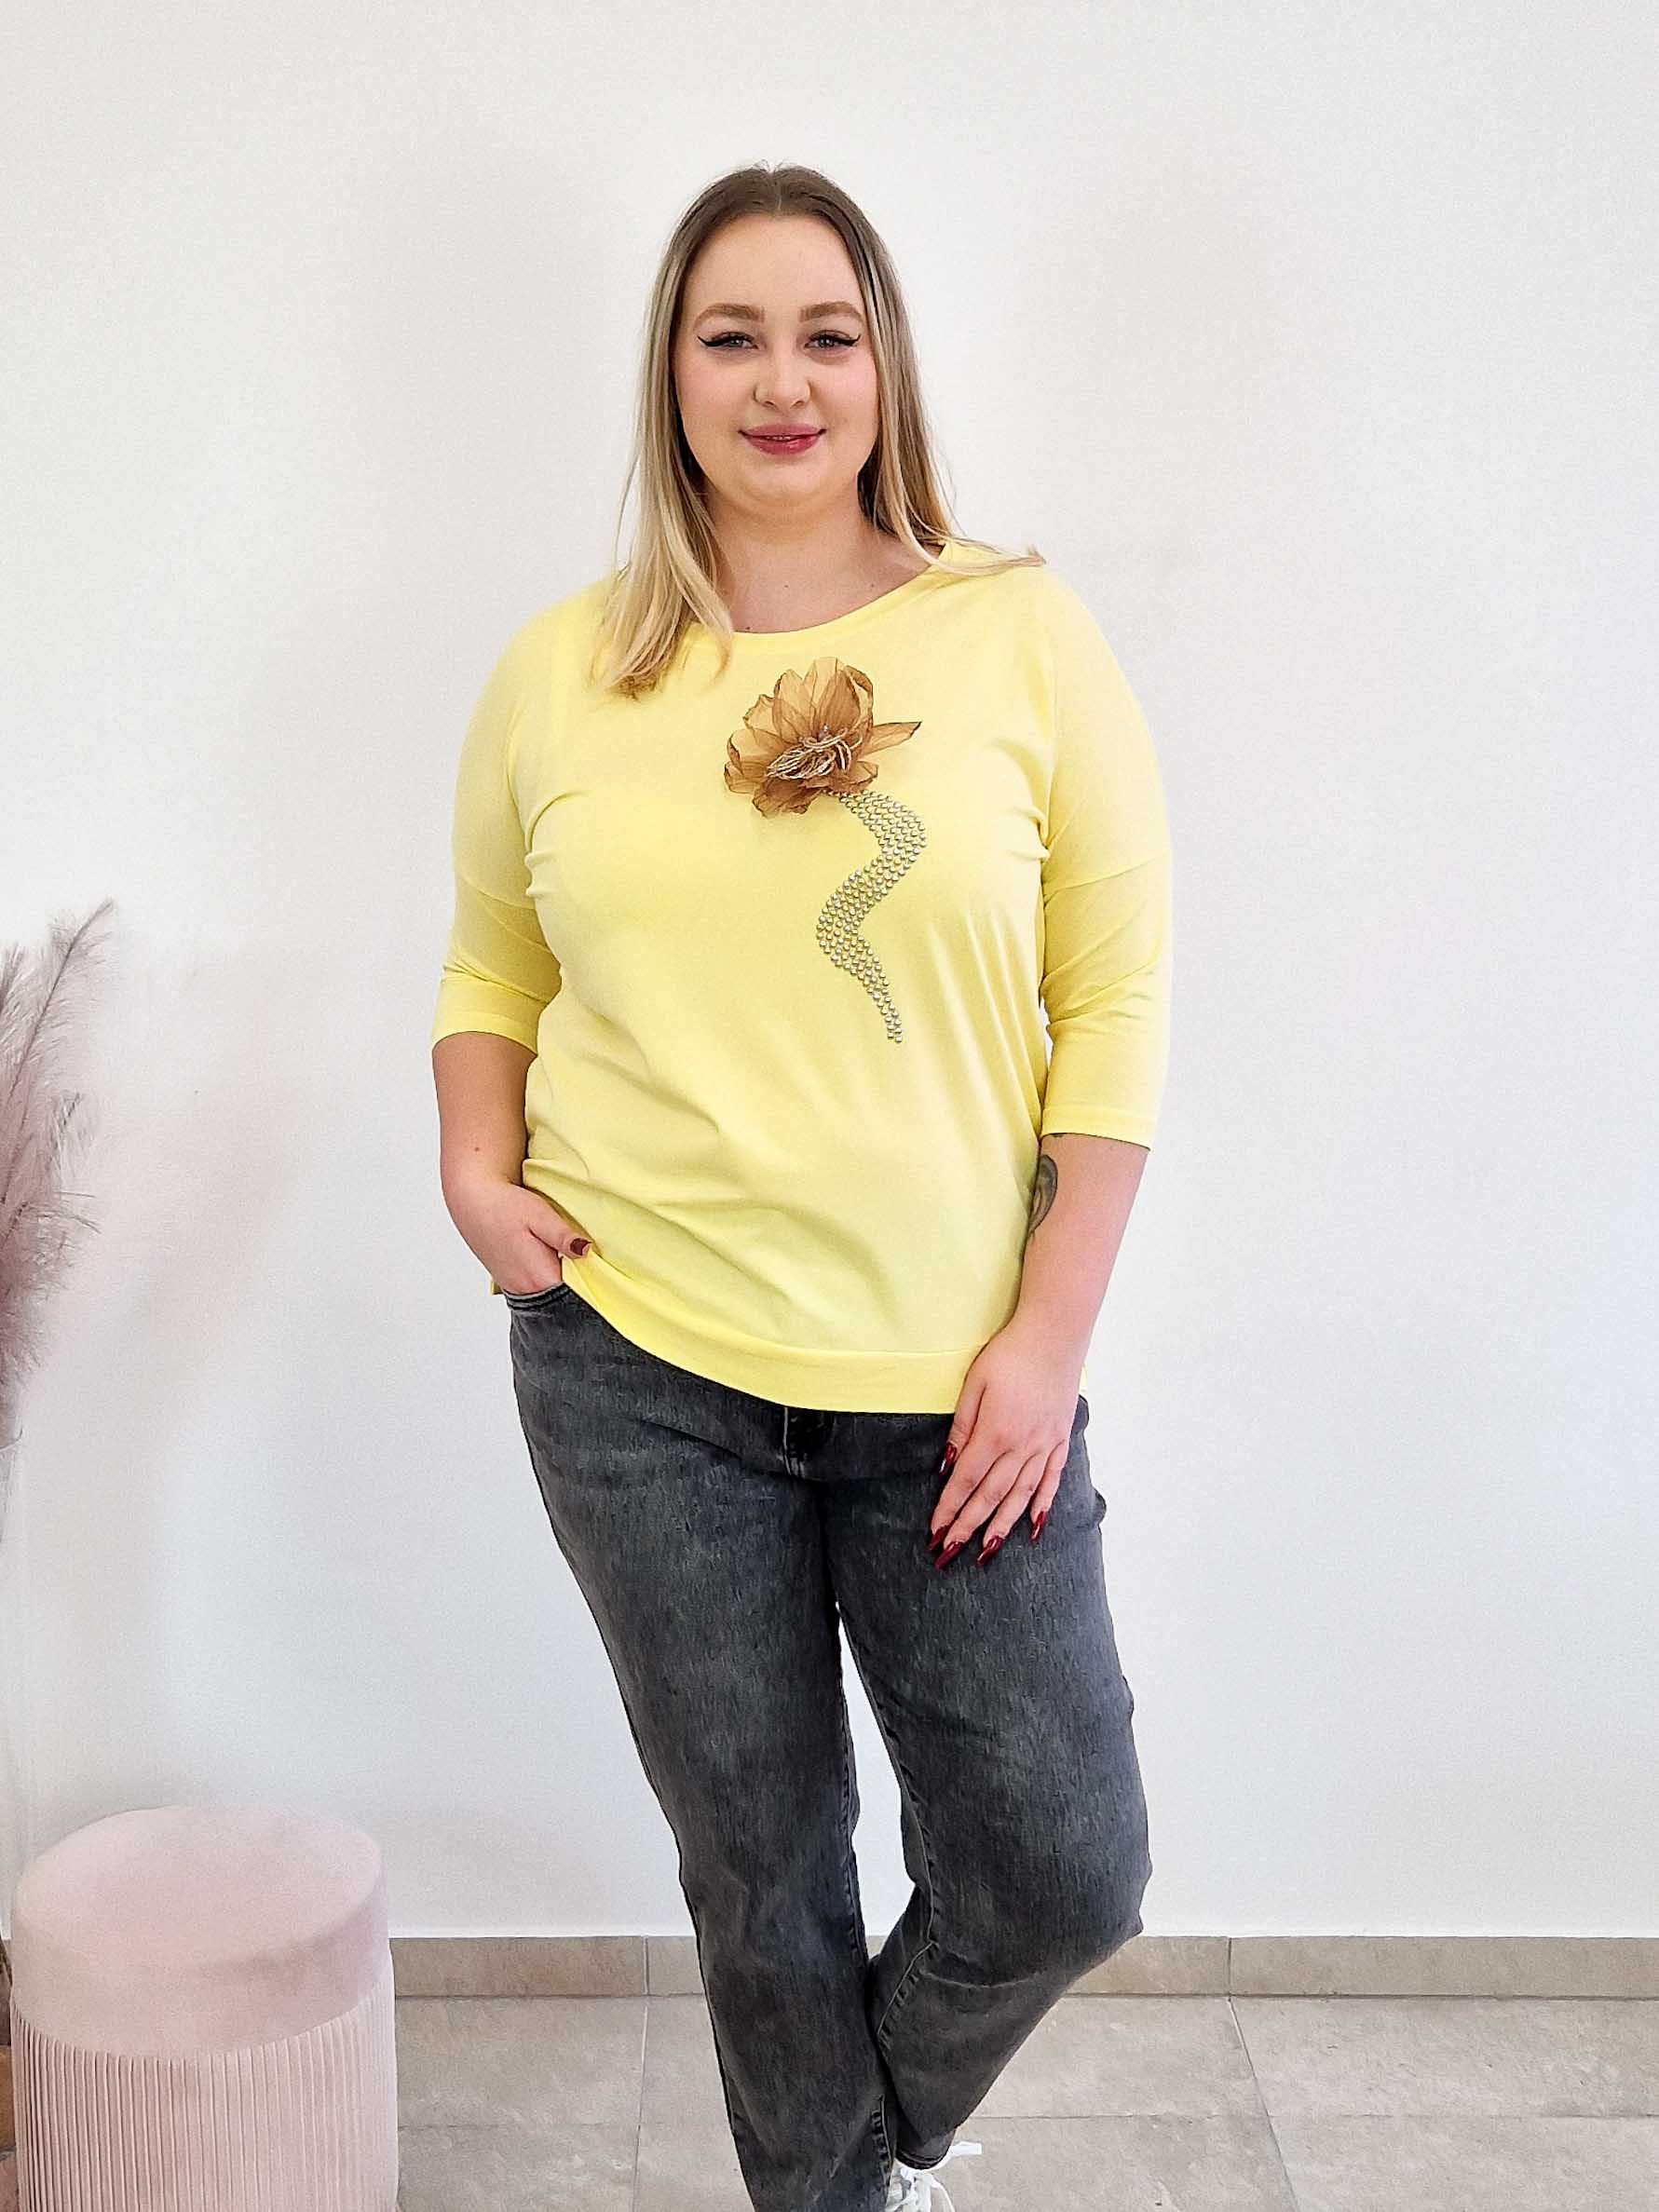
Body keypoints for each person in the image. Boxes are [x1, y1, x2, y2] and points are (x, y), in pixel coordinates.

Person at [430, 161, 1169, 2212]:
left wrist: (1048, 1335)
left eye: (825, 335)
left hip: (955, 1385)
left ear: (883, 366)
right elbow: (493, 964)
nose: (782, 382)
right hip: (635, 1362)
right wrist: (472, 1161)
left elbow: (1114, 1003)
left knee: (1062, 1865)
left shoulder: (1015, 633)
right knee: (758, 1875)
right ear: (669, 373)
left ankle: (849, 2162)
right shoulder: (561, 670)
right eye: (731, 336)